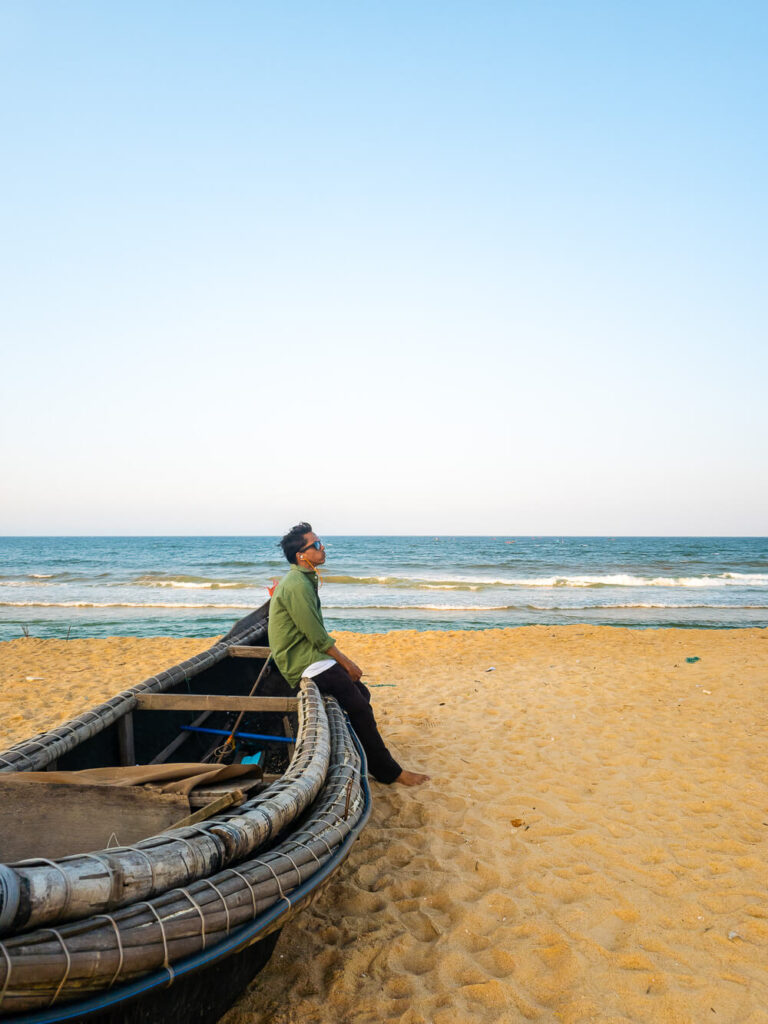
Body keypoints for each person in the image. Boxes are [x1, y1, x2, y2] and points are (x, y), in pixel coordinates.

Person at [268, 523, 429, 787]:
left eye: (321, 543)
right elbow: (316, 635)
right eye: (316, 545)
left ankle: (361, 750)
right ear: (302, 555)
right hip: (303, 661)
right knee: (360, 706)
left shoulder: (303, 579)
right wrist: (347, 662)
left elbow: (314, 635)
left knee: (362, 693)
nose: (323, 548)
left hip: (311, 655)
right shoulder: (297, 584)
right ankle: (389, 772)